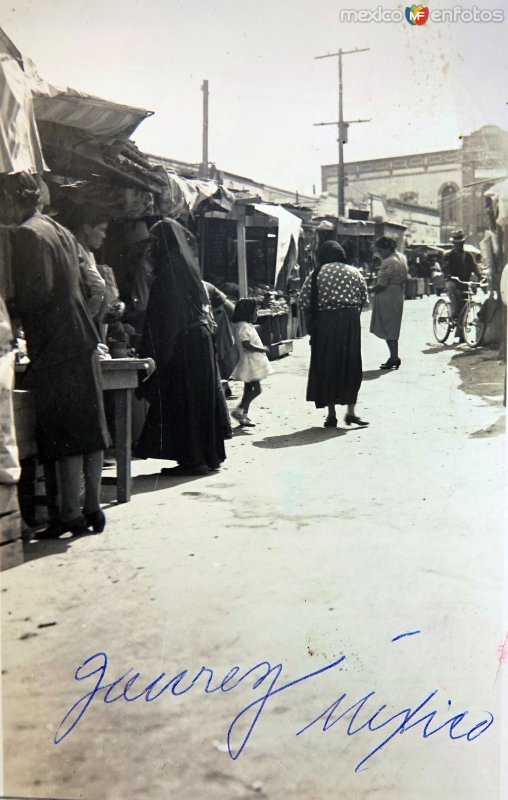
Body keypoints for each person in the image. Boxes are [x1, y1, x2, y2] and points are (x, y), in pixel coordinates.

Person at [0, 172, 110, 537]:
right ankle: (91, 508)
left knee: (62, 433)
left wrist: (8, 309)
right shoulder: (57, 229)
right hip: (81, 338)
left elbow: (37, 293)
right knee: (89, 428)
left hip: (56, 344)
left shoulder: (26, 234)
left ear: (13, 201)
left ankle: (67, 515)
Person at [135, 218, 226, 473]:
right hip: (199, 340)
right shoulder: (186, 269)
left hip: (186, 343)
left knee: (187, 400)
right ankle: (207, 457)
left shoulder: (169, 272)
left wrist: (155, 352)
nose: (151, 248)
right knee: (198, 400)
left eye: (154, 242)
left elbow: (167, 317)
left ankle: (194, 460)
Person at [300, 240, 369, 428]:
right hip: (350, 321)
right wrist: (350, 317)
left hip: (325, 323)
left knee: (328, 366)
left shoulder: (315, 275)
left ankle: (331, 415)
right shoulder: (355, 272)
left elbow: (304, 302)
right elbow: (363, 299)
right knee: (351, 365)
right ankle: (351, 413)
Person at [229, 298, 272, 428]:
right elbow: (246, 344)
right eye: (255, 310)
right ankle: (239, 410)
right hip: (250, 364)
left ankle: (243, 415)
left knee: (248, 390)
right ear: (248, 312)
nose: (257, 313)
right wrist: (262, 348)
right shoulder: (243, 326)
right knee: (256, 390)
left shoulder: (246, 325)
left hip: (253, 362)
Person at [370, 235, 408, 370]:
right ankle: (394, 356)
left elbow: (382, 284)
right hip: (397, 293)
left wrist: (370, 290)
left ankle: (393, 357)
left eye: (380, 251)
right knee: (393, 327)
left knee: (387, 327)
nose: (380, 254)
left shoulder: (388, 262)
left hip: (387, 296)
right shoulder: (401, 257)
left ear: (386, 249)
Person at [443, 230, 482, 340]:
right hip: (452, 281)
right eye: (456, 242)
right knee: (451, 289)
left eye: (460, 242)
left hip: (464, 282)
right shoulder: (448, 255)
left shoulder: (468, 255)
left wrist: (481, 277)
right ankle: (454, 314)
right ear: (453, 243)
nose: (458, 245)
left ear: (463, 242)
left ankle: (461, 334)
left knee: (465, 306)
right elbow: (445, 267)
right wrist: (449, 275)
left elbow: (475, 268)